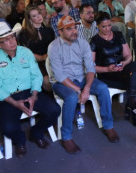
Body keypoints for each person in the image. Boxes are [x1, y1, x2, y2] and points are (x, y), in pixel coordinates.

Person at [0, 22, 60, 157]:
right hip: (7, 97)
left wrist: (35, 94)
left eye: (12, 37)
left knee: (55, 110)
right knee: (8, 128)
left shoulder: (26, 52)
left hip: (30, 91)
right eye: (6, 40)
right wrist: (14, 102)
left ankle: (36, 132)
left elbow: (36, 76)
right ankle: (20, 140)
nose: (11, 41)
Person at [48, 15, 119, 154]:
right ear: (60, 31)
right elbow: (59, 75)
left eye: (75, 27)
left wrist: (86, 88)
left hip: (81, 78)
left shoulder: (83, 43)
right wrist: (78, 90)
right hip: (62, 82)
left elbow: (91, 68)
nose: (74, 31)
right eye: (69, 29)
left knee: (103, 88)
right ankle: (67, 137)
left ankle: (108, 126)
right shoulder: (53, 47)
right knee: (72, 97)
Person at [90, 13, 136, 131]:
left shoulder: (118, 35)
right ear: (97, 27)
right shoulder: (94, 41)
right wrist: (107, 69)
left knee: (134, 64)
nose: (107, 29)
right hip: (107, 74)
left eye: (109, 25)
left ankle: (131, 105)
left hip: (122, 70)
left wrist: (124, 63)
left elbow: (128, 56)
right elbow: (91, 67)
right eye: (103, 27)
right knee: (133, 81)